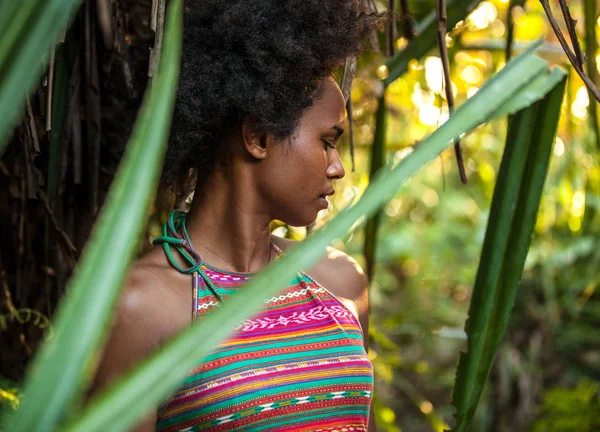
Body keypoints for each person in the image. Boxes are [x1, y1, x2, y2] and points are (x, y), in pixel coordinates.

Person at [91, 1, 380, 430]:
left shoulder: (340, 282)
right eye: (327, 140)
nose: (337, 167)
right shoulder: (142, 307)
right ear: (257, 136)